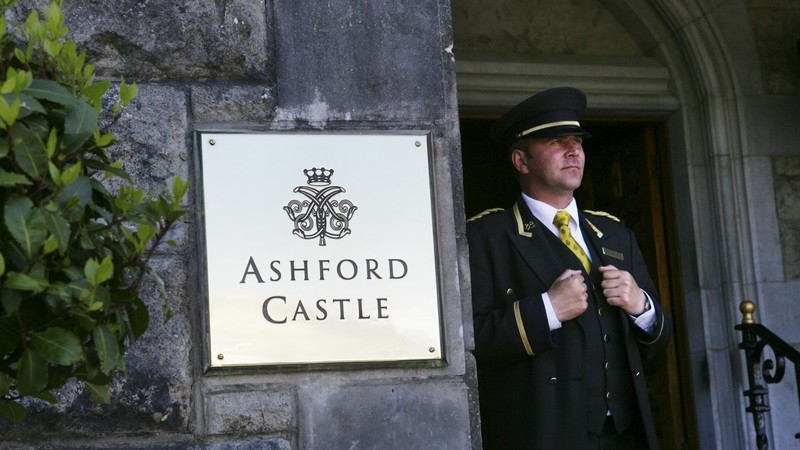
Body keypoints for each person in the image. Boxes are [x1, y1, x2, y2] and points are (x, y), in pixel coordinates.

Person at [467, 87, 671, 449]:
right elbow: (472, 340)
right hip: (545, 434)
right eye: (557, 142)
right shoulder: (486, 236)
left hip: (626, 434)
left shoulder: (614, 232)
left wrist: (641, 306)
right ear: (521, 160)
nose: (574, 151)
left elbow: (658, 341)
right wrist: (548, 309)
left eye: (577, 142)